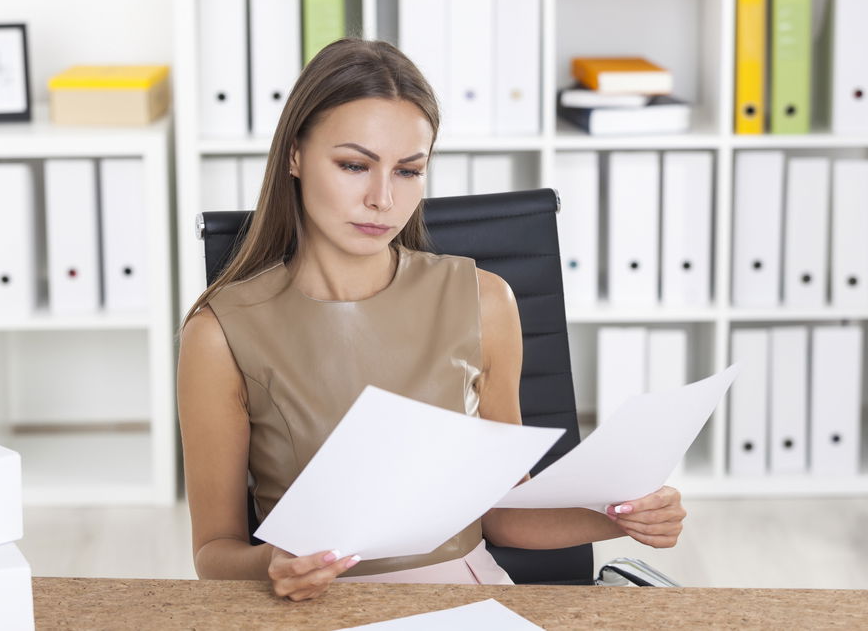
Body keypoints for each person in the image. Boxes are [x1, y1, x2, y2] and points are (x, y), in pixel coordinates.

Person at [177, 38, 686, 602]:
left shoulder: (485, 301)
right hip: (315, 607)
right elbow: (214, 552)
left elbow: (504, 516)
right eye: (353, 165)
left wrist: (621, 517)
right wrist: (274, 564)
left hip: (466, 599)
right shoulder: (219, 333)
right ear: (294, 156)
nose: (382, 199)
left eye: (408, 171)